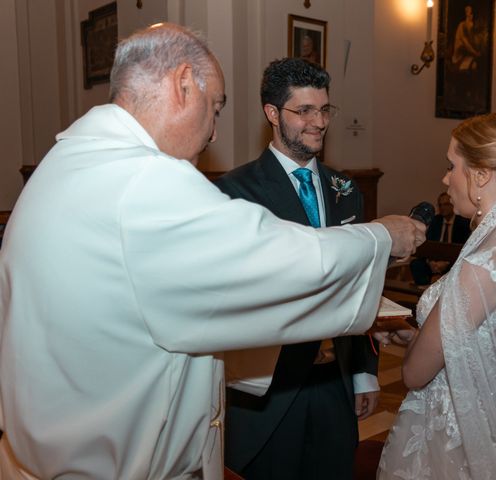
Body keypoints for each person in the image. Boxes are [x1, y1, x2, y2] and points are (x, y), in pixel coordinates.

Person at [0, 23, 426, 480]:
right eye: (216, 107)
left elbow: (174, 304)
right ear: (184, 84)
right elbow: (275, 261)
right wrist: (382, 237)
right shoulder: (143, 181)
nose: (215, 133)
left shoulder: (71, 161)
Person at [377, 112, 496, 479]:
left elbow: (415, 375)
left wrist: (417, 347)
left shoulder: (479, 269)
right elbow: (483, 349)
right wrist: (419, 335)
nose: (445, 178)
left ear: (480, 175)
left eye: (452, 166)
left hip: (451, 440)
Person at [214, 57, 376, 479]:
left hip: (332, 382)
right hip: (270, 386)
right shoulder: (235, 191)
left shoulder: (346, 190)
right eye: (303, 110)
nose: (318, 122)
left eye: (324, 109)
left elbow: (356, 283)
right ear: (272, 113)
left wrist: (362, 373)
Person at [409, 192, 470, 285]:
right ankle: (424, 291)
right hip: (434, 260)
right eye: (440, 205)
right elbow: (428, 244)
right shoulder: (435, 220)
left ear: (452, 205)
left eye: (445, 204)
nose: (442, 208)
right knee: (416, 264)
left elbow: (464, 249)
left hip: (453, 261)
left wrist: (446, 263)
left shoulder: (463, 223)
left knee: (460, 267)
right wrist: (430, 262)